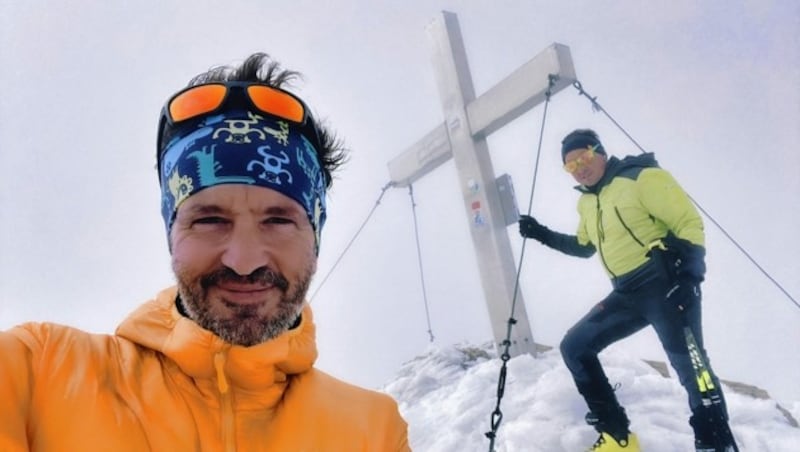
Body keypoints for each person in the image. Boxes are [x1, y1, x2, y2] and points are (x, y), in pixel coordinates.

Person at [0, 53, 409, 451]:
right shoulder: (37, 373)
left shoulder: (372, 432)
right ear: (172, 231)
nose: (244, 260)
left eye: (279, 220)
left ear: (315, 237)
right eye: (210, 220)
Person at [518, 129, 737, 451]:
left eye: (584, 158)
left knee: (694, 370)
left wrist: (689, 277)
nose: (579, 167)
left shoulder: (642, 177)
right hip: (626, 293)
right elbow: (583, 247)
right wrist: (540, 233)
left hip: (665, 283)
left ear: (600, 152)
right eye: (570, 165)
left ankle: (717, 445)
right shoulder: (586, 202)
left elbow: (688, 222)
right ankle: (617, 437)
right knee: (575, 347)